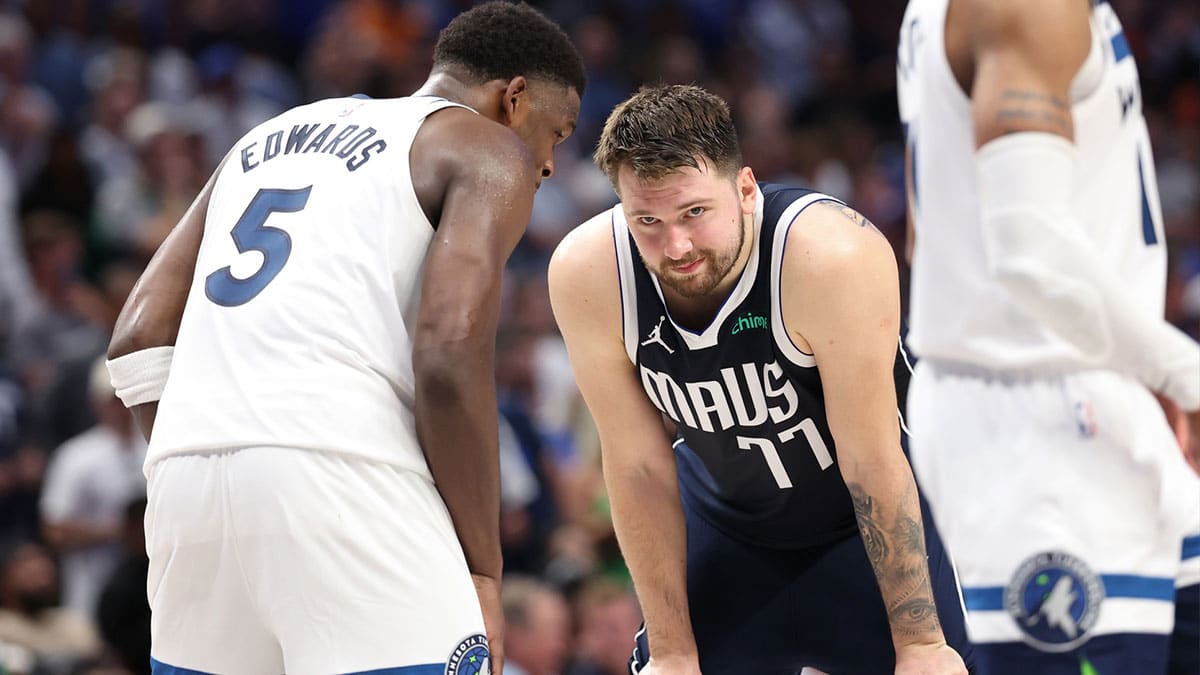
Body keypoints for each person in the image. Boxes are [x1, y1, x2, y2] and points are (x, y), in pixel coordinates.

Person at [103, 2, 584, 673]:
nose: (551, 164)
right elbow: (448, 352)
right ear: (514, 98)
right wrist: (483, 568)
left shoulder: (268, 135)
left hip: (187, 485)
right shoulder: (484, 146)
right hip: (347, 476)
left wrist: (228, 449)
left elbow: (136, 339)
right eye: (556, 134)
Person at [548, 84, 973, 675]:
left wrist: (920, 643)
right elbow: (637, 465)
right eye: (647, 219)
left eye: (695, 212)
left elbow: (871, 459)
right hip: (723, 524)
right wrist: (672, 653)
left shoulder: (829, 255)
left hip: (856, 525)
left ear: (745, 189)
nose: (676, 245)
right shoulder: (588, 273)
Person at [896, 0, 1200, 673]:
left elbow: (933, 235)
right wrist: (1185, 373)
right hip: (1032, 418)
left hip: (1094, 380)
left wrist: (1141, 363)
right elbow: (1030, 252)